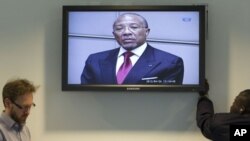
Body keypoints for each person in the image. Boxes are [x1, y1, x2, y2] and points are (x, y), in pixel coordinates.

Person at [81, 13, 184, 85]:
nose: (126, 32)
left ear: (146, 32)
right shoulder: (94, 60)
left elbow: (167, 99)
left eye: (134, 27)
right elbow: (87, 96)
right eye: (119, 28)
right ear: (114, 34)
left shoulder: (171, 62)